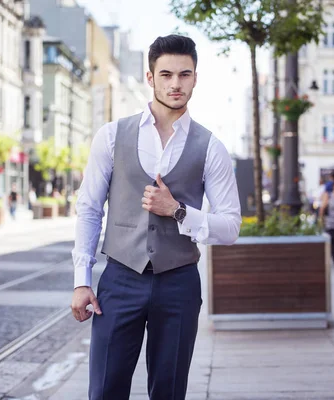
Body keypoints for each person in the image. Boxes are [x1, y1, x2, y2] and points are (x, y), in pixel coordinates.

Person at [70, 35, 241, 400]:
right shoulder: (112, 136)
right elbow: (89, 208)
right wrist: (82, 280)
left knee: (169, 393)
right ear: (150, 78)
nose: (175, 84)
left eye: (184, 74)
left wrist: (178, 211)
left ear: (196, 78)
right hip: (120, 279)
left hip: (178, 284)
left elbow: (230, 226)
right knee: (104, 391)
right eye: (166, 74)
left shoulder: (211, 147)